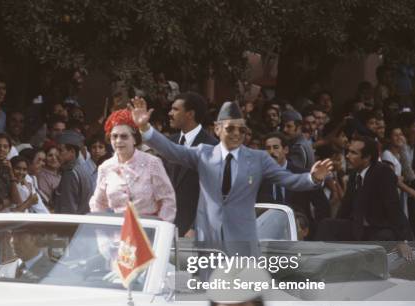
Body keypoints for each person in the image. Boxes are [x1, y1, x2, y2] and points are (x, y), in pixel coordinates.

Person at [130, 97, 332, 254]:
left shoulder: (258, 158)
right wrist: (145, 129)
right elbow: (171, 150)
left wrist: (313, 178)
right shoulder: (203, 153)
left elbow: (288, 179)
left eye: (242, 130)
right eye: (231, 128)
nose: (237, 134)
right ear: (217, 129)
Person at [316, 136, 414, 257]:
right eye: (348, 151)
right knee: (327, 225)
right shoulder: (354, 175)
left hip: (378, 228)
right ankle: (321, 262)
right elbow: (345, 207)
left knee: (384, 238)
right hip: (358, 227)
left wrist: (401, 240)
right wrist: (338, 225)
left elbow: (393, 206)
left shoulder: (383, 172)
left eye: (353, 153)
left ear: (367, 157)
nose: (347, 156)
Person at [89, 109, 176, 222]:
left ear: (135, 139)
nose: (118, 141)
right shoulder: (105, 167)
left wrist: (162, 228)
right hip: (117, 233)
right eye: (114, 136)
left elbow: (167, 200)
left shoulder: (152, 163)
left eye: (124, 136)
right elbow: (98, 203)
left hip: (148, 231)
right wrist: (102, 233)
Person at [165, 92, 217, 236]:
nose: (170, 113)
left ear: (190, 114)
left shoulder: (212, 147)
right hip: (165, 225)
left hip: (194, 231)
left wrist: (195, 227)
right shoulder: (169, 142)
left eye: (175, 109)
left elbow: (213, 194)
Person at [259, 133, 330, 231]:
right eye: (268, 148)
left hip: (300, 233)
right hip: (269, 233)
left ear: (286, 150)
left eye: (275, 147)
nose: (271, 152)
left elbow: (323, 206)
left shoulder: (304, 175)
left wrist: (315, 231)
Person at [54, 130, 93, 214]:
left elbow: (68, 208)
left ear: (72, 152)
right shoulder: (82, 169)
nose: (57, 154)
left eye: (60, 150)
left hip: (72, 223)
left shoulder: (70, 173)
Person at [0, 133, 22, 208]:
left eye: (5, 147)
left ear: (9, 150)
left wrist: (10, 172)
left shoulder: (9, 167)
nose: (2, 149)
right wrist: (9, 201)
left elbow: (17, 201)